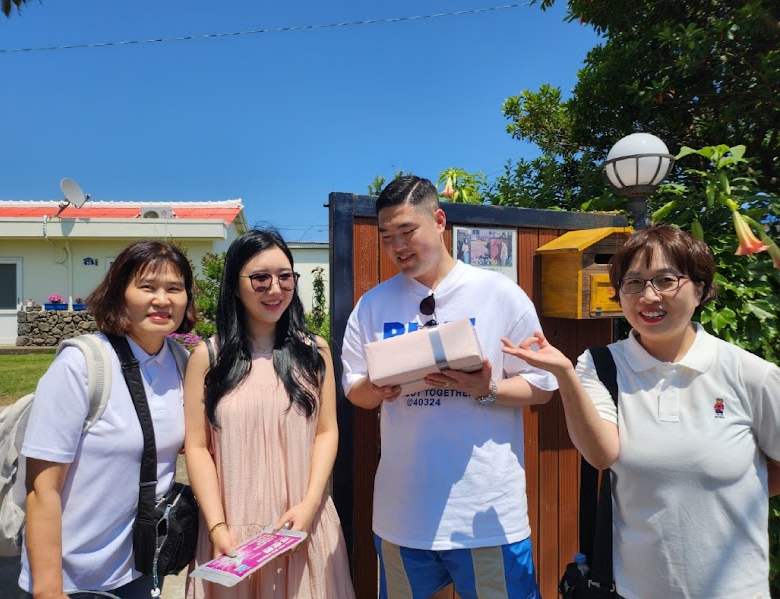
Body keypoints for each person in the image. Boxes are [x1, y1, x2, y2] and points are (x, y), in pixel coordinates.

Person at [502, 225, 780, 599]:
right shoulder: (601, 366)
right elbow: (601, 454)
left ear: (700, 289)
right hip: (634, 590)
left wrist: (733, 494)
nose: (648, 296)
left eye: (666, 280)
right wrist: (564, 374)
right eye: (633, 283)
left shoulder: (751, 374)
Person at [341, 175, 557, 599]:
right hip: (403, 517)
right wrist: (378, 387)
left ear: (439, 221)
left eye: (407, 231)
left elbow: (542, 386)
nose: (397, 246)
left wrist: (487, 389)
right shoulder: (373, 304)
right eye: (386, 237)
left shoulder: (499, 294)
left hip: (485, 514)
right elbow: (355, 391)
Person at [19, 240, 199, 598]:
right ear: (119, 293)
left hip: (142, 566)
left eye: (174, 289)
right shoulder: (82, 364)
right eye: (147, 286)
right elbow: (42, 488)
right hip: (72, 575)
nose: (162, 300)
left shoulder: (182, 364)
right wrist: (48, 589)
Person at [184, 229, 354, 599]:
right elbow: (197, 448)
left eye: (285, 277)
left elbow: (327, 432)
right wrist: (216, 526)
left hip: (303, 524)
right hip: (232, 535)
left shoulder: (315, 352)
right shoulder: (207, 358)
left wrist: (309, 506)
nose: (275, 289)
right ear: (235, 285)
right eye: (260, 278)